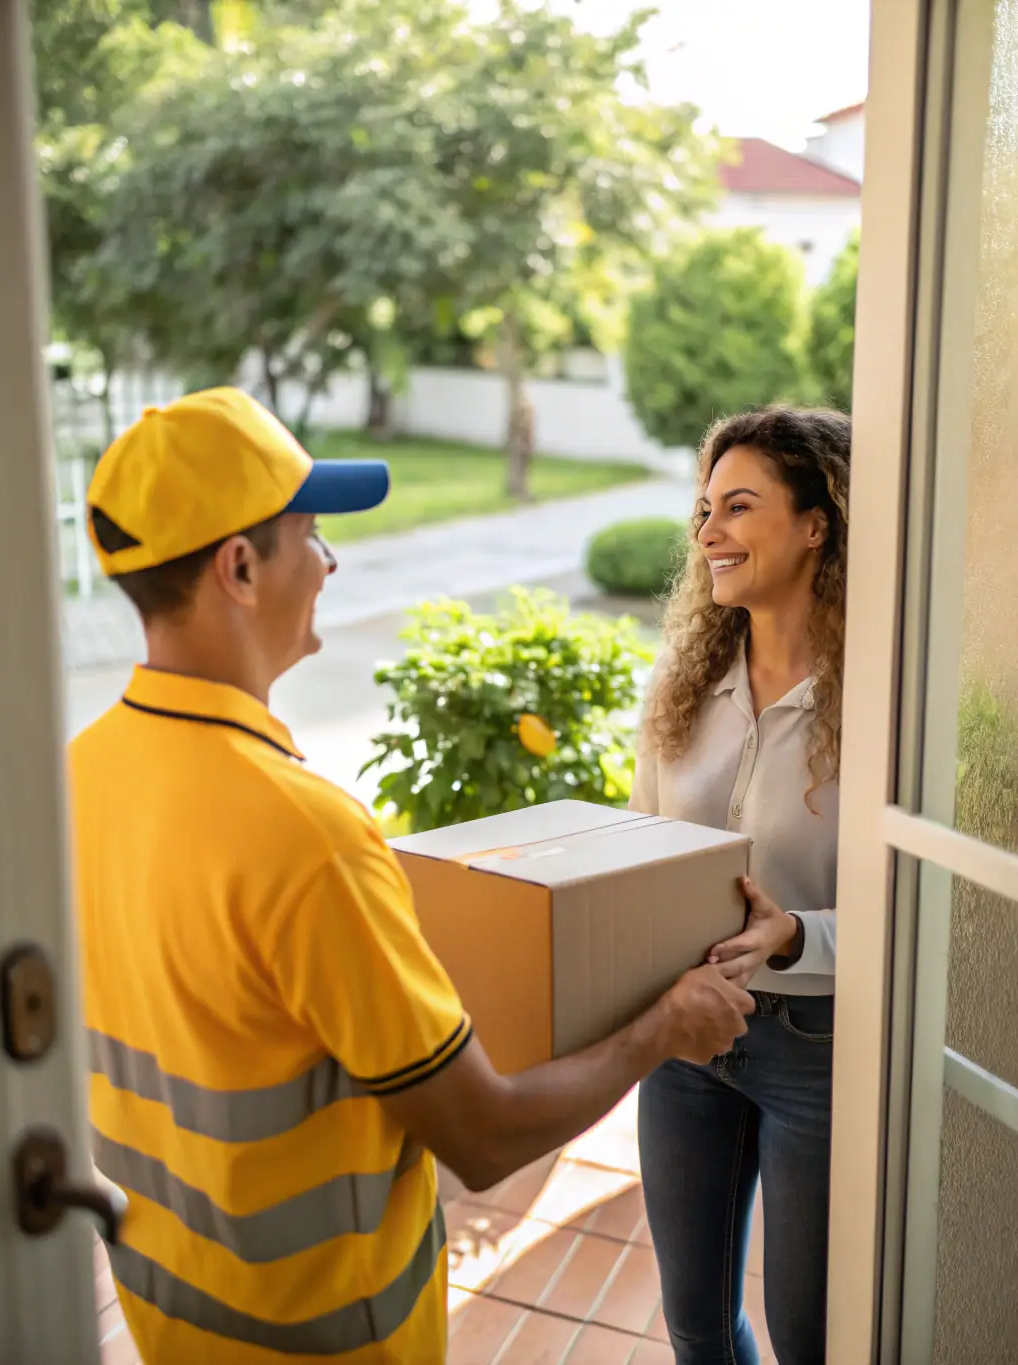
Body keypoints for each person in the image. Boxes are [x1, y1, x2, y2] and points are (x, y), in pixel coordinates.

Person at [69, 387, 754, 1365]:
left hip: (167, 1313)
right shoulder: (307, 837)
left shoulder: (76, 774)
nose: (331, 561)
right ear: (240, 566)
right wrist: (667, 1024)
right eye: (311, 532)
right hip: (329, 1337)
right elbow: (482, 1135)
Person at [630, 406, 850, 1365]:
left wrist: (797, 934)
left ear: (817, 522)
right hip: (685, 1040)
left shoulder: (881, 700)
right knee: (697, 1327)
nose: (707, 532)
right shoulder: (688, 676)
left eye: (739, 506)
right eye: (703, 509)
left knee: (809, 1339)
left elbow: (929, 913)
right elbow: (637, 837)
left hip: (820, 1052)